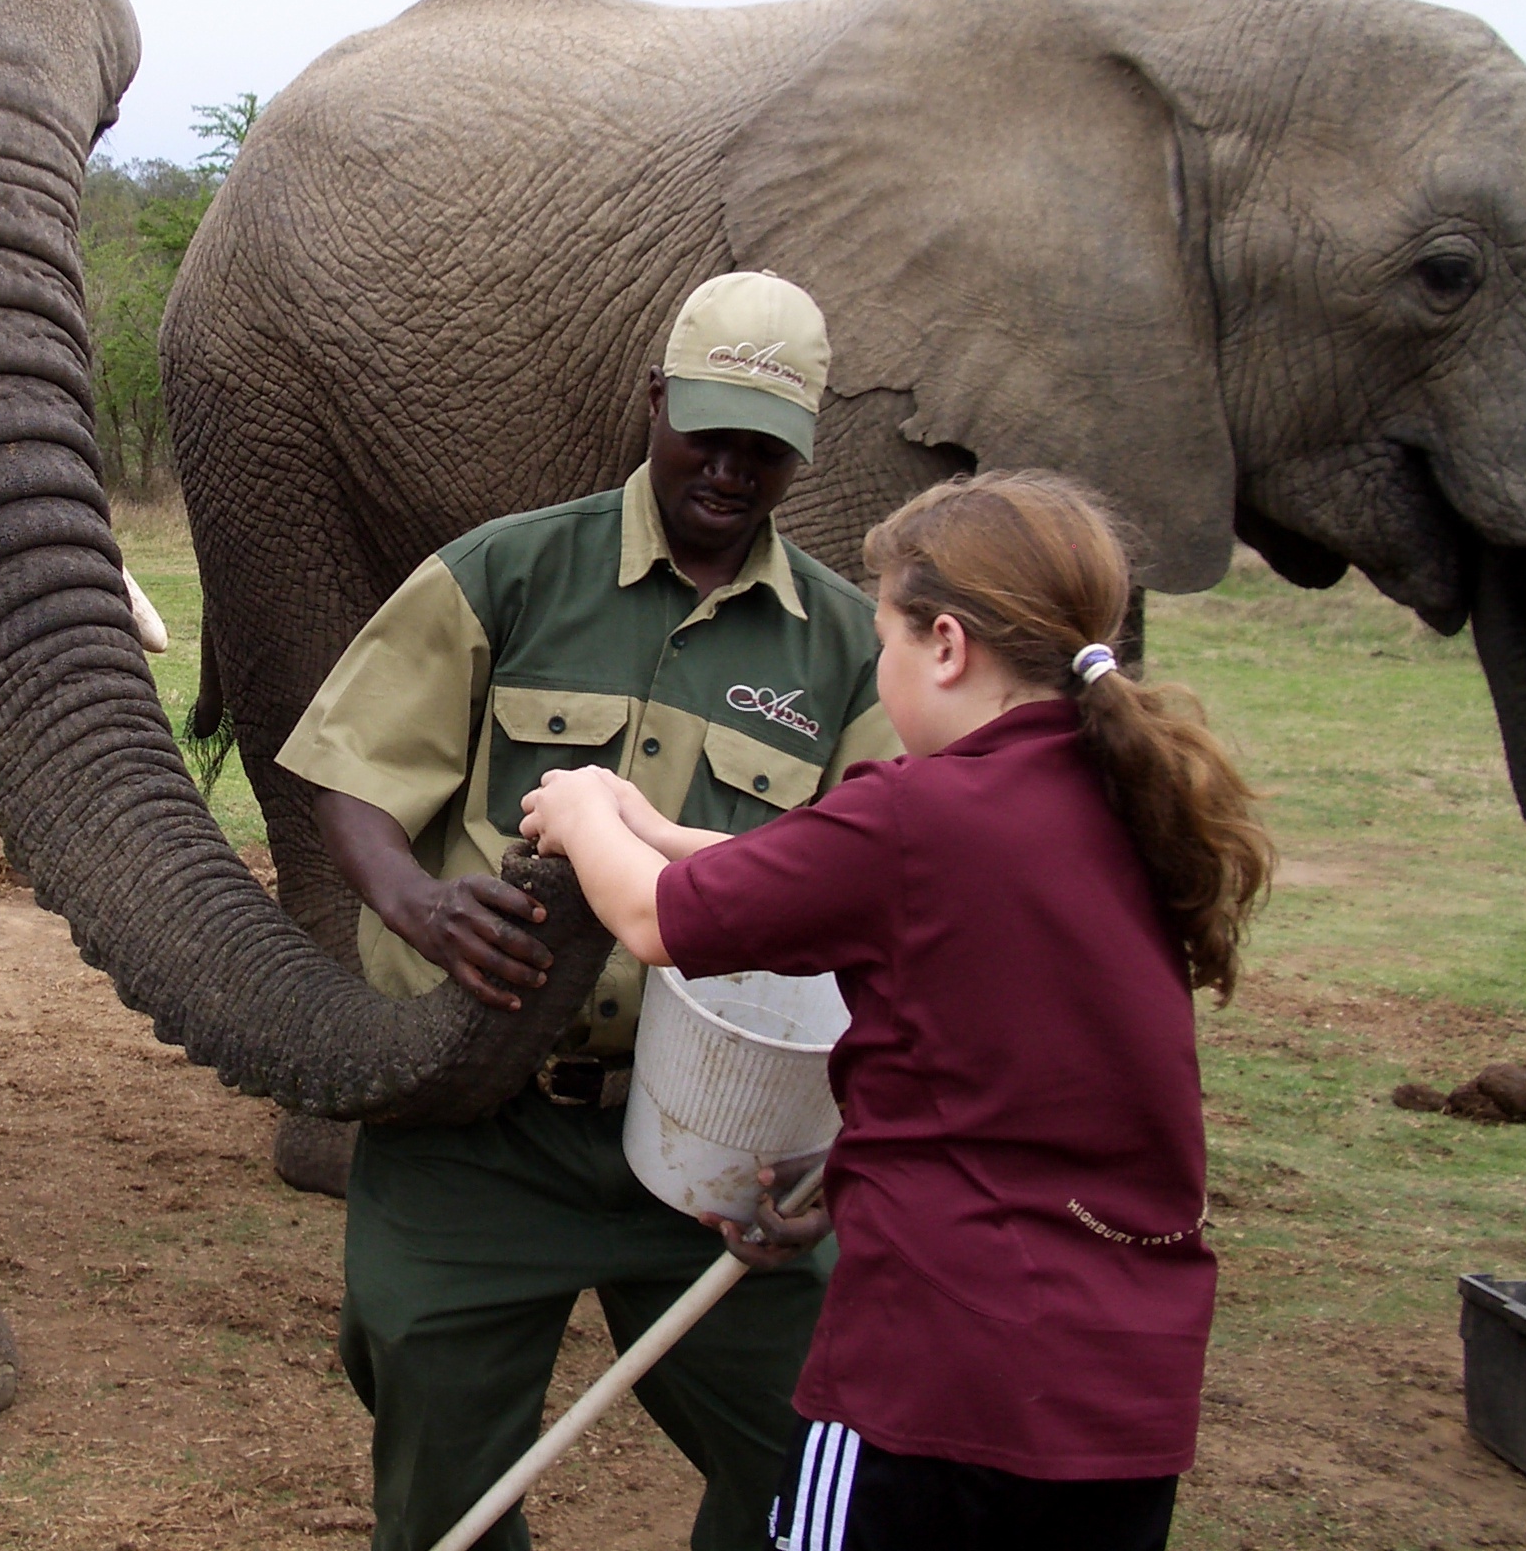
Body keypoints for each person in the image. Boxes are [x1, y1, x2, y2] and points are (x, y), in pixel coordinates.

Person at [520, 469, 1270, 1551]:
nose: (880, 668)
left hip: (937, 1377)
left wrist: (586, 807)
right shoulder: (1128, 804)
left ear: (947, 646)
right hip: (1123, 1402)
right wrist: (660, 828)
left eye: (885, 641)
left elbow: (650, 920)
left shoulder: (922, 814)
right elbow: (836, 883)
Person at [277, 270, 902, 1551]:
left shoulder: (847, 652)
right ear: (655, 399)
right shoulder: (507, 571)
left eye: (764, 448)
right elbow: (351, 774)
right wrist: (417, 903)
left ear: (803, 451)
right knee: (438, 1465)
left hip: (725, 1141)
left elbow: (888, 908)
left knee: (809, 1465)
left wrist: (838, 1151)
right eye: (708, 432)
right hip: (479, 1115)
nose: (728, 469)